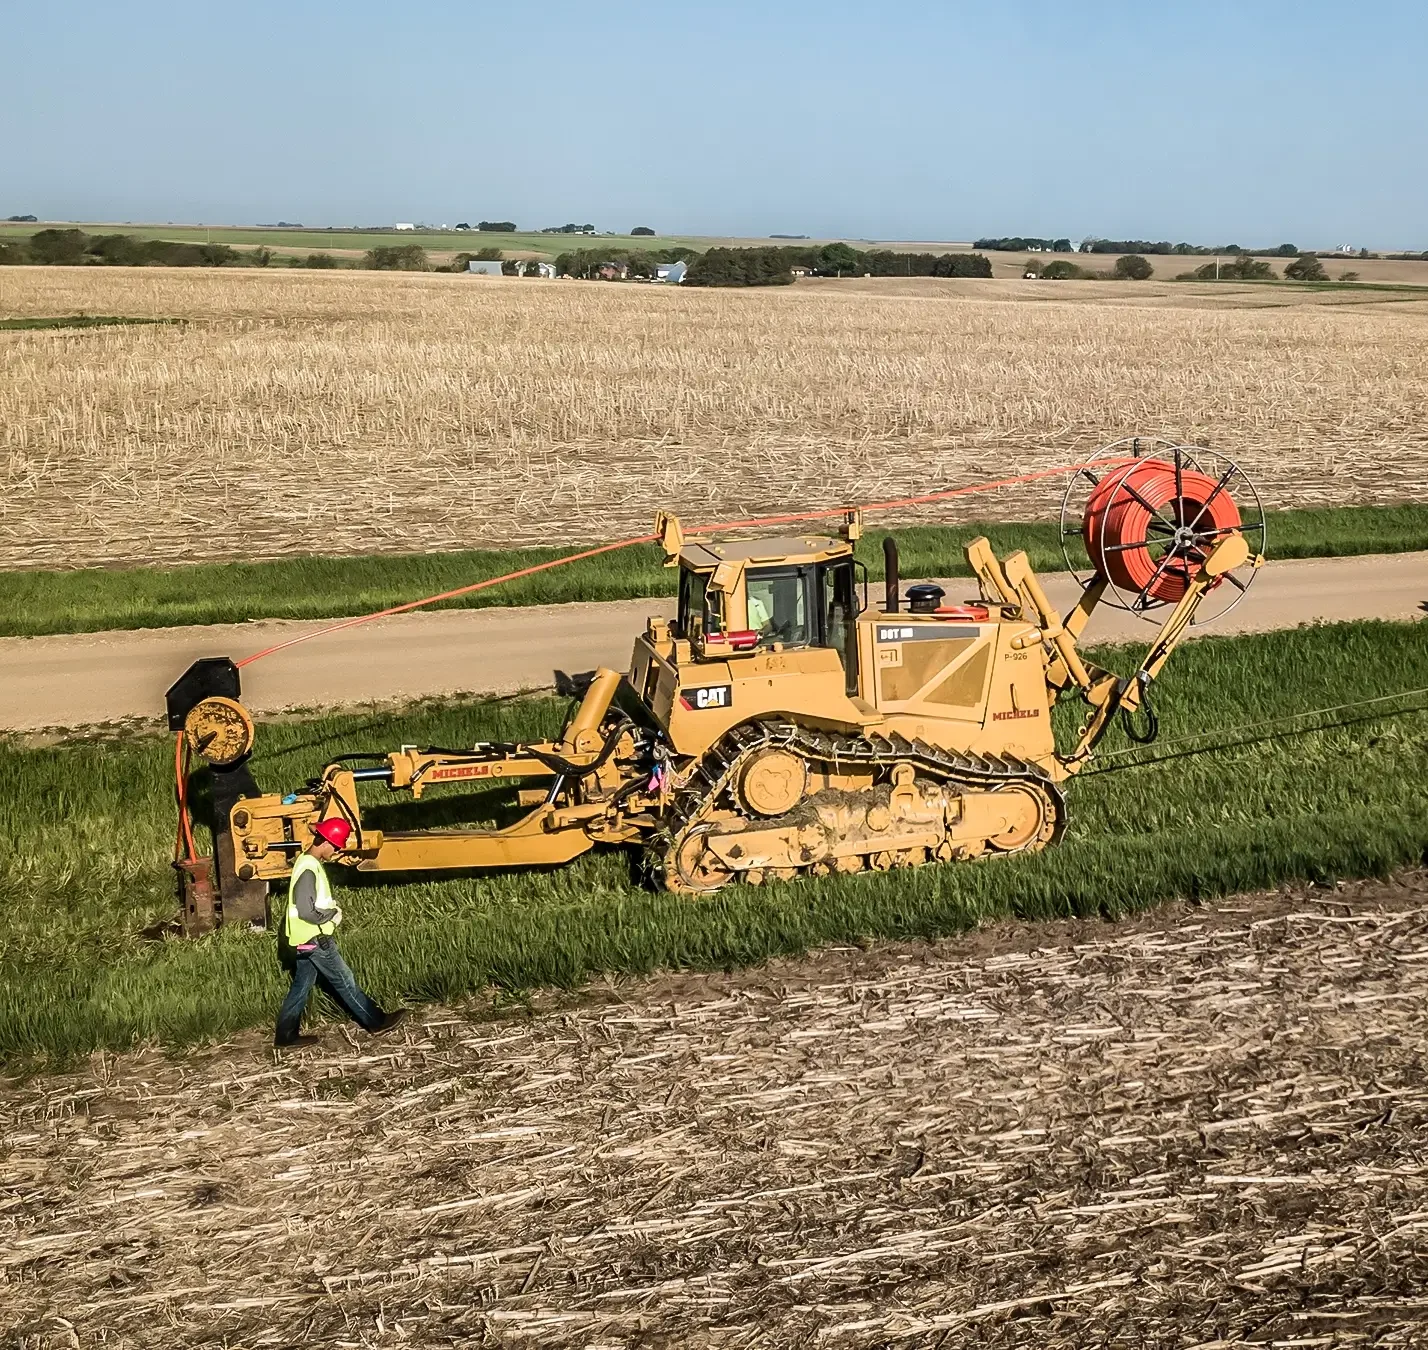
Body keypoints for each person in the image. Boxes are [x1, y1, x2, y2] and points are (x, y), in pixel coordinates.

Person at [274, 817, 406, 1048]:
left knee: (302, 986)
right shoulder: (309, 869)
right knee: (345, 980)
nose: (335, 851)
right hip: (316, 937)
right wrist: (331, 915)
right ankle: (376, 1021)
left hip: (303, 939)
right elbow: (306, 910)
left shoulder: (305, 863)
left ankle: (285, 1035)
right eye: (335, 846)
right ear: (323, 841)